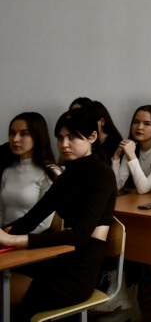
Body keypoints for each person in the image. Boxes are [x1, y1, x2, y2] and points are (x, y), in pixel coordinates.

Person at [0, 108, 117, 321]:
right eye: (60, 138)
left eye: (72, 137)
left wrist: (14, 240)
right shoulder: (69, 173)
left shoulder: (102, 175)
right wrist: (7, 232)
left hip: (78, 272)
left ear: (92, 137)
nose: (64, 144)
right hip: (59, 258)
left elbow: (81, 235)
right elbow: (33, 217)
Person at [0, 113, 60, 234]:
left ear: (37, 136)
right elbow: (1, 209)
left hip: (30, 239)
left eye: (24, 134)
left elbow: (44, 222)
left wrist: (12, 237)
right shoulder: (8, 169)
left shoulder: (50, 172)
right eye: (12, 133)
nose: (15, 139)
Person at [111, 105, 151, 193]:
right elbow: (115, 187)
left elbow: (143, 188)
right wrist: (116, 157)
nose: (139, 127)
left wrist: (131, 156)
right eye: (136, 122)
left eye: (147, 124)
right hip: (145, 202)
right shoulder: (132, 149)